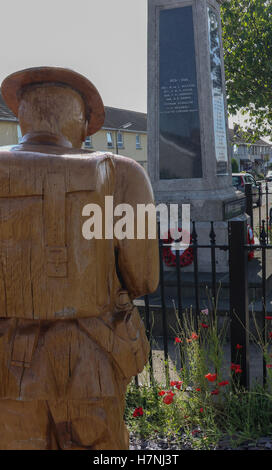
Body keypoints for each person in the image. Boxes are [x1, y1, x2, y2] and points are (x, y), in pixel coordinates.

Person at [0, 67, 159, 450]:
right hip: (93, 360)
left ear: (21, 114)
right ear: (85, 122)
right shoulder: (123, 174)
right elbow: (144, 278)